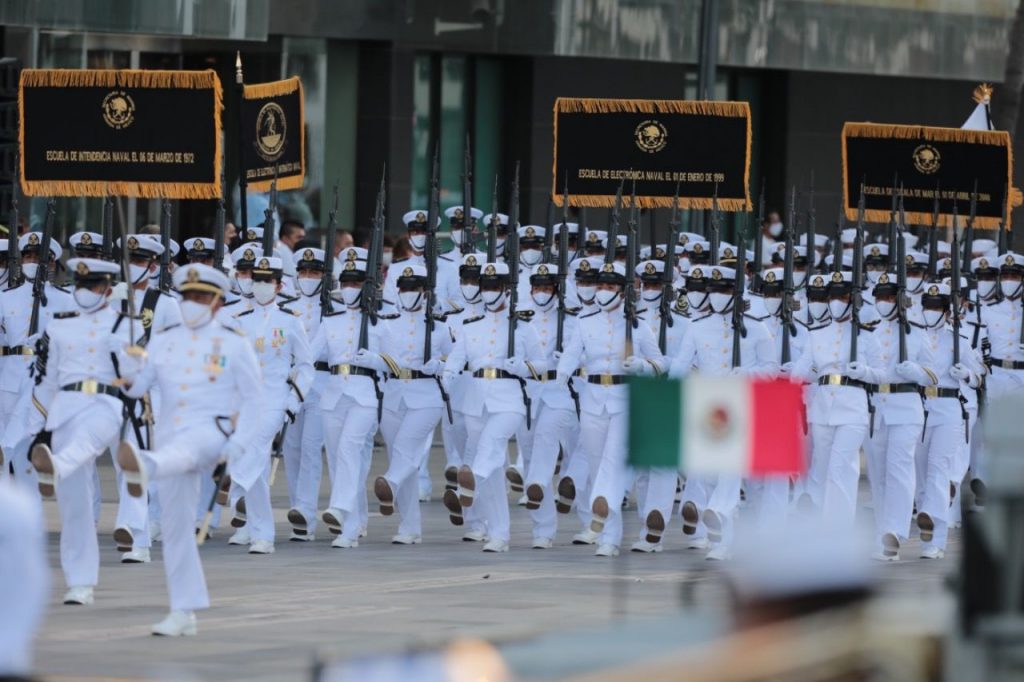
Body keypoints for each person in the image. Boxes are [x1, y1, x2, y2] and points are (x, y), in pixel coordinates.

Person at [115, 263, 263, 636]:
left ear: (216, 303)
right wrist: (128, 362)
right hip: (170, 435)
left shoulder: (233, 341)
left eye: (200, 297)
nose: (191, 303)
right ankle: (184, 610)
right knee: (178, 530)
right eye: (187, 297)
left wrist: (239, 444)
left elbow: (255, 400)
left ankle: (145, 466)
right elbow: (136, 388)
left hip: (212, 434)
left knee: (182, 452)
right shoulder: (163, 339)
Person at [28, 258, 143, 605]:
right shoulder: (59, 326)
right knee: (74, 503)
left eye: (92, 287)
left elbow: (136, 381)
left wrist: (127, 355)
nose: (84, 293)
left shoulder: (126, 324)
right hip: (66, 406)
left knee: (87, 441)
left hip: (107, 403)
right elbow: (45, 382)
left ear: (107, 290)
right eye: (80, 286)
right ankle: (79, 582)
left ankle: (55, 467)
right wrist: (40, 429)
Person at [556, 262, 664, 557]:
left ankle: (603, 513)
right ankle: (609, 537)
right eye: (601, 286)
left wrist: (642, 365)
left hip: (625, 398)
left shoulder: (638, 326)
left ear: (623, 291)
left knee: (612, 462)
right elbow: (572, 352)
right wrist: (562, 372)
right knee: (594, 463)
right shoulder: (585, 321)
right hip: (593, 397)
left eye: (610, 287)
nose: (603, 292)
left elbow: (660, 364)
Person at [442, 261, 547, 552]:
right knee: (494, 466)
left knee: (491, 444)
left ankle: (469, 481)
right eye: (485, 287)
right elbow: (456, 358)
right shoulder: (470, 326)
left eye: (494, 287)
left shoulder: (523, 327)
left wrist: (523, 366)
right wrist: (447, 378)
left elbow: (541, 364)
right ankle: (499, 534)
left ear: (506, 290)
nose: (488, 292)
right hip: (476, 399)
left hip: (509, 398)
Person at [227, 256, 313, 554]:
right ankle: (256, 528)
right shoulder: (240, 321)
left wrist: (293, 402)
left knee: (254, 449)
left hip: (276, 399)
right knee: (259, 464)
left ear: (279, 285)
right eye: (257, 280)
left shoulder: (290, 321)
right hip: (245, 402)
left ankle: (234, 485)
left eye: (268, 281)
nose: (262, 286)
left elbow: (305, 367)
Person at [368, 263, 452, 544]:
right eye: (403, 288)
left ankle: (389, 483)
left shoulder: (439, 325)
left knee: (406, 448)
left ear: (425, 292)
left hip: (426, 396)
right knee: (403, 458)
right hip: (393, 394)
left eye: (414, 288)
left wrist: (438, 364)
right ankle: (409, 527)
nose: (407, 294)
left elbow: (455, 359)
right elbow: (375, 354)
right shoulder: (386, 321)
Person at [315, 254, 382, 548]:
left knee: (348, 450)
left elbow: (397, 363)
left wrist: (376, 359)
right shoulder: (331, 322)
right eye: (347, 282)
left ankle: (339, 508)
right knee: (338, 459)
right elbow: (310, 354)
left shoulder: (380, 320)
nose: (351, 287)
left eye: (357, 282)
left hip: (364, 393)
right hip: (333, 393)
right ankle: (349, 529)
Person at [0, 232, 75, 494]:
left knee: (30, 446)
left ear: (52, 262)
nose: (32, 261)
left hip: (44, 380)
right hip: (9, 377)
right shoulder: (5, 297)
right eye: (28, 256)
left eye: (39, 257)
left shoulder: (65, 299)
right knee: (15, 452)